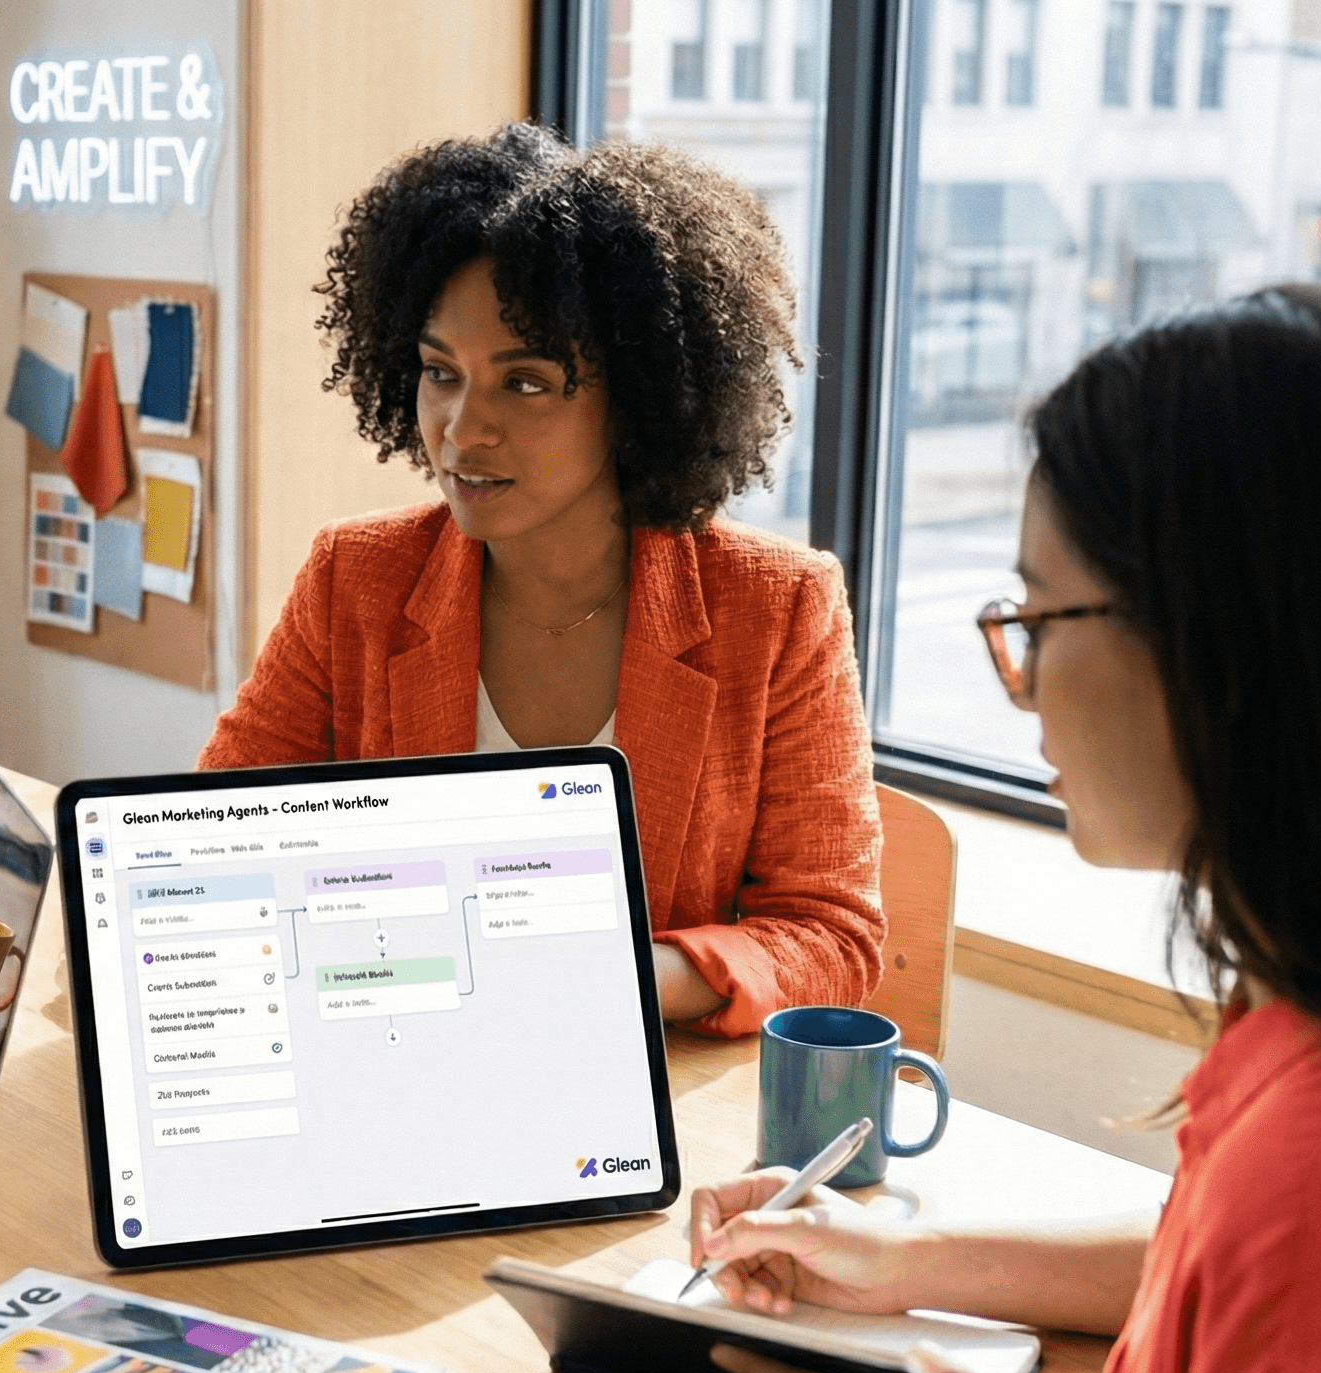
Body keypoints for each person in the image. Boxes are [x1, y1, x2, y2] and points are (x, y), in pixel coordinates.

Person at [692, 285, 1321, 1373]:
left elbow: (1288, 1265)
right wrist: (911, 1264)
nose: (1024, 683)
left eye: (1042, 618)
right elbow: (1209, 1260)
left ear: (1232, 644)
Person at [199, 124, 882, 1036]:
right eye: (440, 374)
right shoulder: (353, 579)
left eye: (524, 384)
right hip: (395, 1053)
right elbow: (215, 844)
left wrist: (614, 976)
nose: (461, 429)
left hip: (645, 1091)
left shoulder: (778, 607)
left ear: (637, 397)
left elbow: (831, 936)